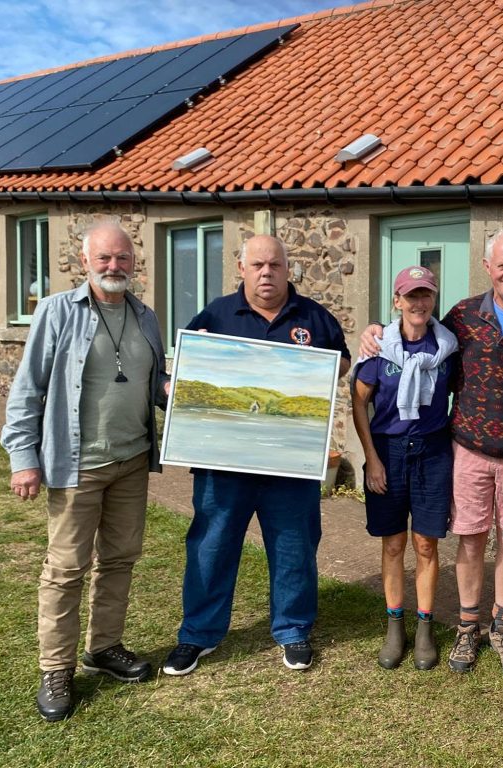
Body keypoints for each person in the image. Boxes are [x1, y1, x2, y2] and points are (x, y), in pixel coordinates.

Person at [360, 229, 503, 674]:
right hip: (469, 448)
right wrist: (374, 330)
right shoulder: (463, 316)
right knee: (471, 540)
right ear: (487, 267)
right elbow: (415, 332)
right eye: (502, 264)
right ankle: (467, 626)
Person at [1, 222, 169, 721]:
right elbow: (27, 388)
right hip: (77, 464)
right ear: (85, 261)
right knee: (65, 569)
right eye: (104, 258)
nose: (114, 266)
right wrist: (23, 458)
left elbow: (156, 382)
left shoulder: (146, 317)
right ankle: (56, 668)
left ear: (134, 262)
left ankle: (105, 648)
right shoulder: (57, 311)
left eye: (123, 258)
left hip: (131, 461)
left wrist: (193, 379)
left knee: (119, 559)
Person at [163, 234, 350, 677]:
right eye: (258, 265)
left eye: (275, 265)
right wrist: (180, 379)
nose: (267, 273)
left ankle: (293, 628)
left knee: (294, 546)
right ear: (241, 268)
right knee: (211, 545)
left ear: (288, 269)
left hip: (291, 464)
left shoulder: (315, 318)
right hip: (222, 463)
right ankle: (198, 634)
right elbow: (182, 368)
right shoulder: (215, 315)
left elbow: (341, 365)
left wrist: (315, 371)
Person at [352, 266, 459, 670]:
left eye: (425, 294)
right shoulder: (379, 346)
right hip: (389, 451)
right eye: (411, 295)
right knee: (394, 543)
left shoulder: (447, 347)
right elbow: (358, 400)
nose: (419, 302)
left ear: (433, 300)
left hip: (432, 452)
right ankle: (395, 625)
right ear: (396, 301)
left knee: (426, 544)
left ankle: (425, 627)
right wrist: (371, 458)